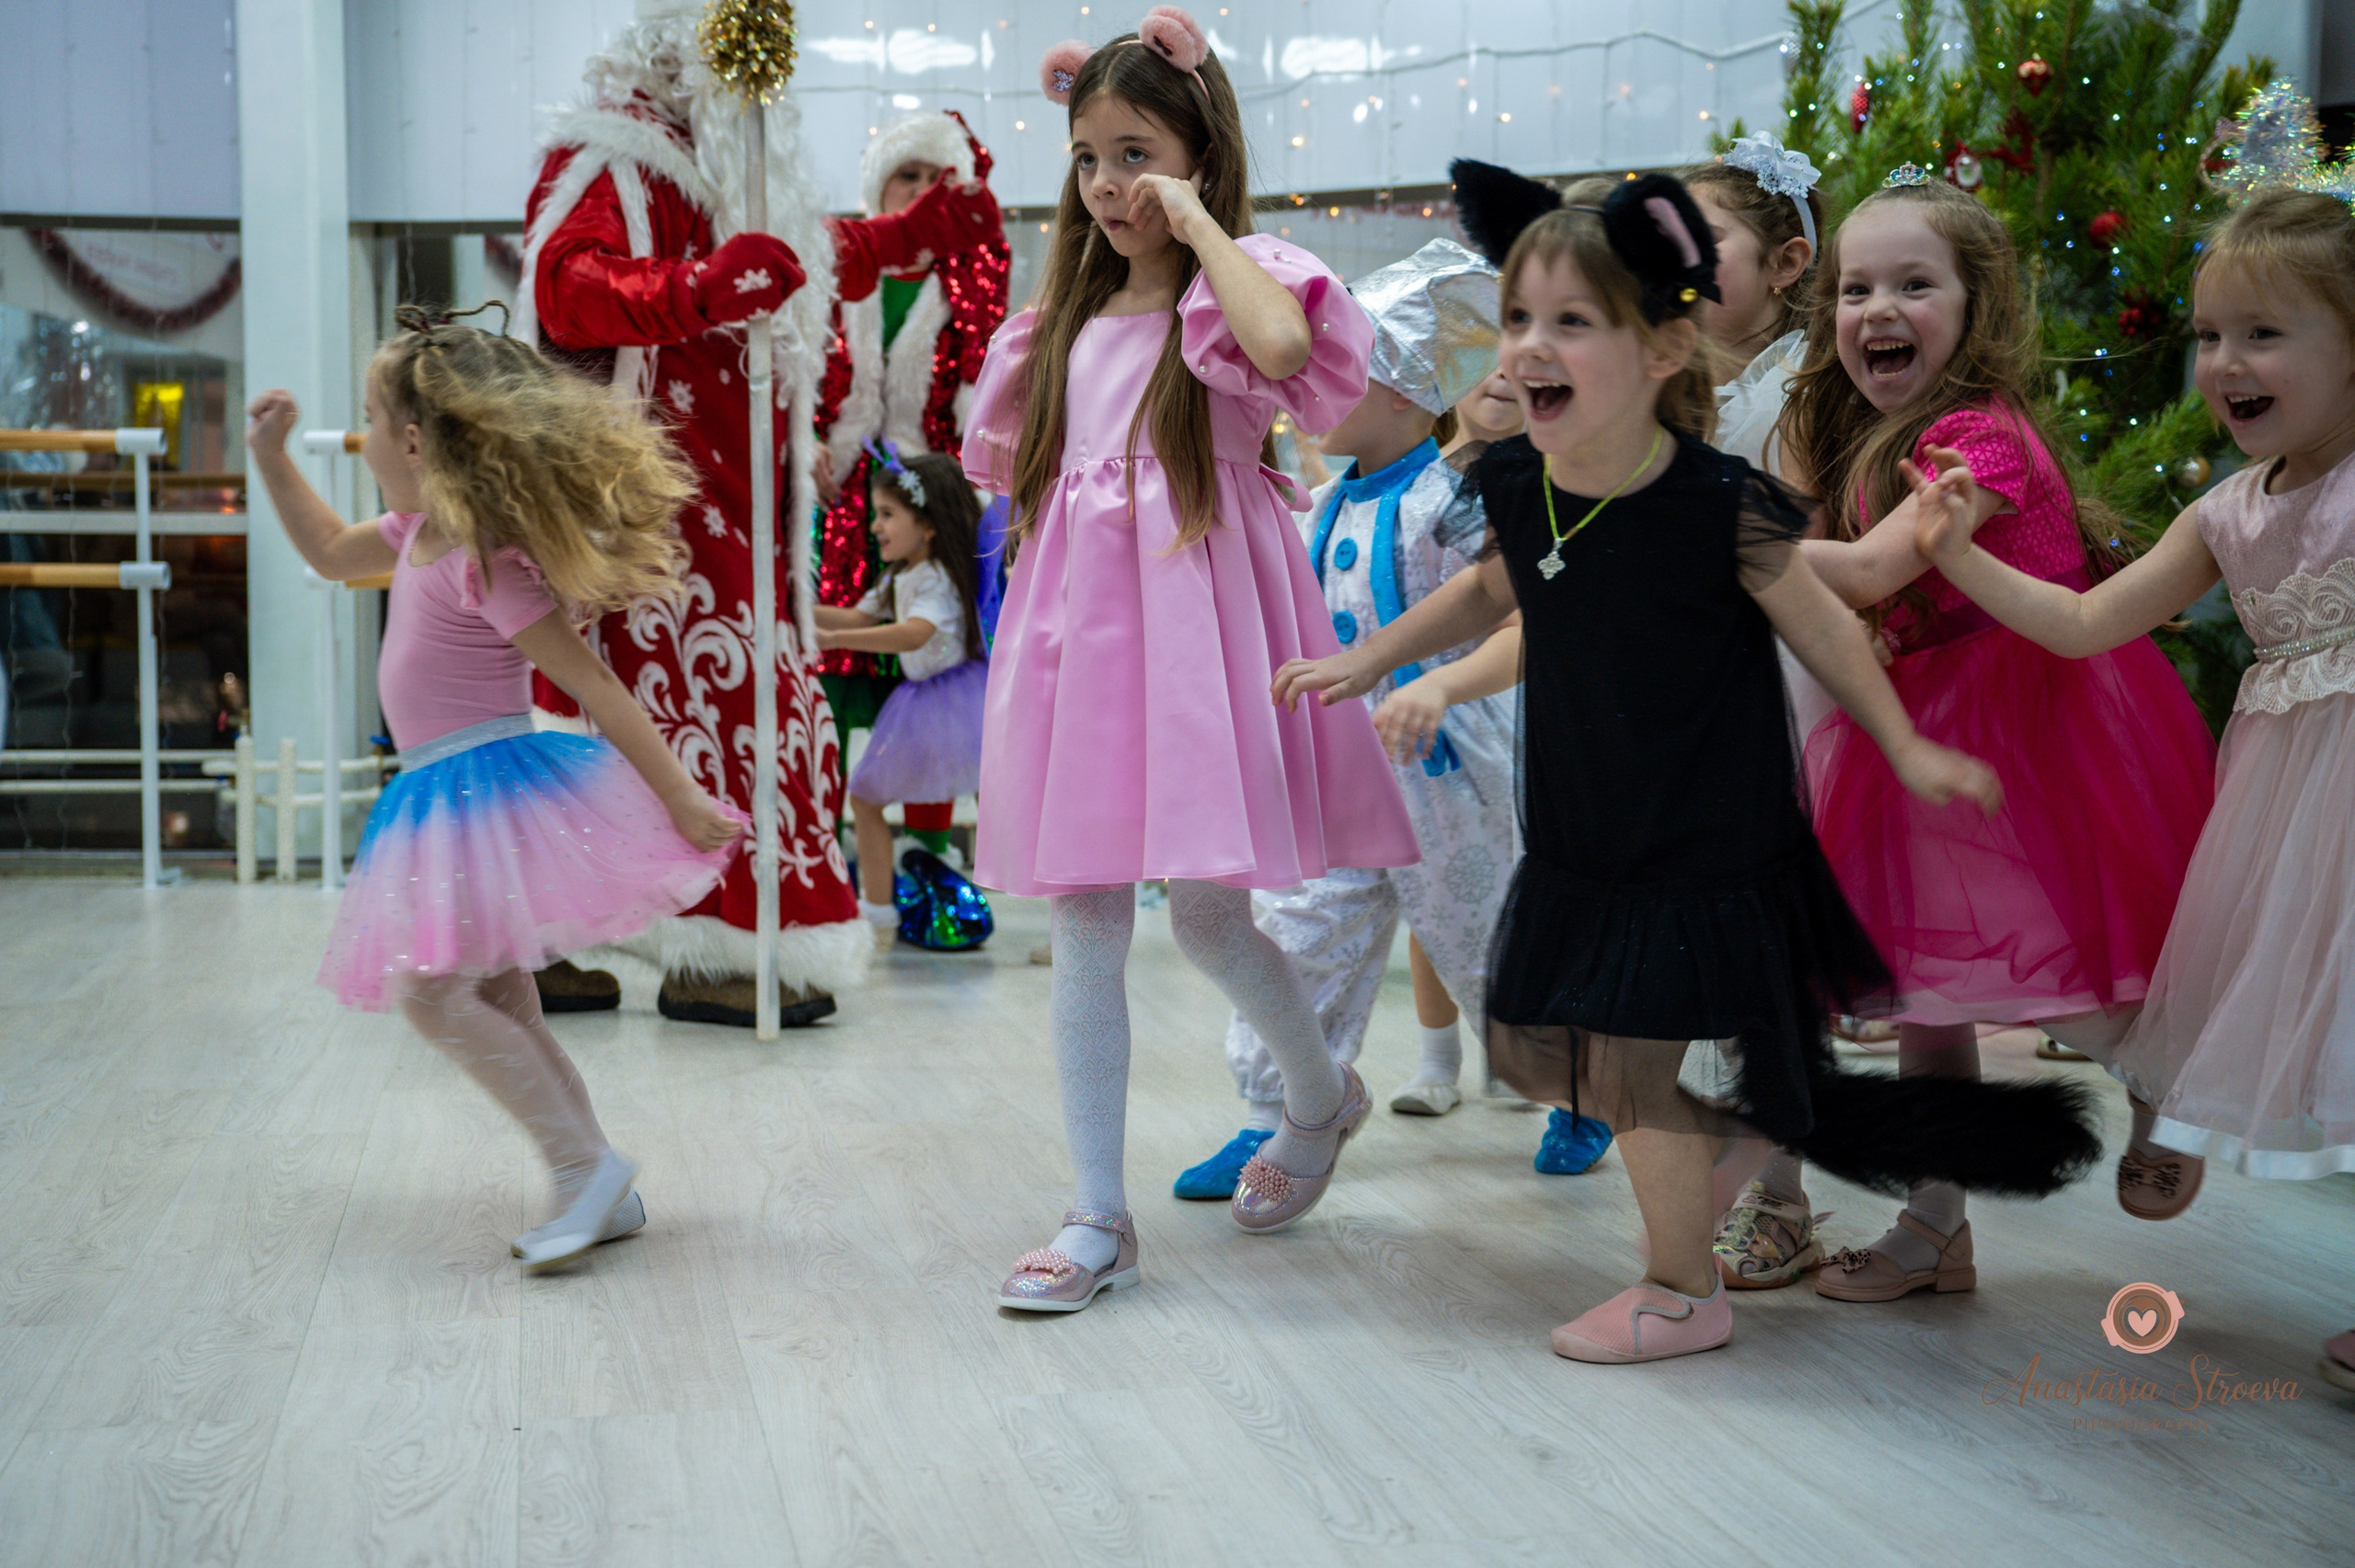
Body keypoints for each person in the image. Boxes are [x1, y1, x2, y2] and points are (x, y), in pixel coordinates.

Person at [1276, 162, 2098, 1365]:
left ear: (1663, 351)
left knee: (1631, 1063)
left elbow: (1832, 614)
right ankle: (1754, 1181)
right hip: (1586, 838)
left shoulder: (1717, 500)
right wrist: (1383, 664)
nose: (1526, 349)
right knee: (1619, 1076)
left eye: (1570, 321)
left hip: (1696, 837)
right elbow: (1486, 592)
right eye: (1517, 319)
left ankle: (1681, 1285)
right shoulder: (1534, 486)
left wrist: (1907, 740)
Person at [964, 9, 1416, 1312]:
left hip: (1203, 628)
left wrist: (1205, 221)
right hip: (1085, 638)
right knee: (1087, 910)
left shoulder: (1238, 288)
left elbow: (1287, 354)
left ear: (1199, 154)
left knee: (1215, 915)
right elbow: (1038, 491)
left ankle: (1320, 1102)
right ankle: (1098, 1213)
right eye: (1090, 156)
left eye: (1138, 152)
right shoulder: (1056, 319)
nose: (1112, 185)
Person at [1912, 184, 2355, 1390]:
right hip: (2291, 807)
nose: (2224, 362)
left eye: (2264, 333)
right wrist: (1955, 557)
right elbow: (2080, 621)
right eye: (2210, 336)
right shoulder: (2228, 513)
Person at [515, 6, 1002, 1027]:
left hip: (739, 511)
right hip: (644, 514)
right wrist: (693, 289)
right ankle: (567, 937)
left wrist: (905, 239)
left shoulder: (729, 163)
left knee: (751, 717)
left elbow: (798, 261)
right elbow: (567, 287)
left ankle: (725, 944)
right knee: (642, 716)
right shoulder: (615, 155)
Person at [1783, 170, 2217, 1304]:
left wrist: (1729, 540)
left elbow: (1880, 567)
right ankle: (1934, 1225)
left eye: (1913, 285)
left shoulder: (1978, 439)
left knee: (2058, 965)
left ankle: (2162, 1083)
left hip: (2029, 725)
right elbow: (1884, 595)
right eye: (1855, 288)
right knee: (1923, 984)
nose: (1876, 309)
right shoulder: (1883, 433)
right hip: (1928, 718)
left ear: (1976, 305)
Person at [252, 309, 743, 1270]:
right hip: (442, 793)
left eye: (365, 420)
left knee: (433, 995)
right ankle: (596, 1175)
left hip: (484, 789)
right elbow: (322, 551)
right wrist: (269, 455)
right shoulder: (412, 533)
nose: (358, 439)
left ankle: (581, 1168)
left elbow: (595, 682)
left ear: (413, 438)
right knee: (502, 998)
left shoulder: (484, 558)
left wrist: (680, 798)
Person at [1175, 238, 1539, 1200]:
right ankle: (1279, 1112)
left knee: (1487, 940)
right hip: (1336, 769)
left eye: (1343, 375)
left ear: (1410, 394)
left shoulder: (1454, 502)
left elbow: (1514, 615)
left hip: (1448, 773)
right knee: (1297, 935)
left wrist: (1444, 688)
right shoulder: (1318, 504)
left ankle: (1573, 1086)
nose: (1311, 391)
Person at [813, 111, 1011, 866]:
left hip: (935, 499)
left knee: (932, 687)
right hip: (842, 506)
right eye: (909, 176)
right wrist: (805, 444)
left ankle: (928, 859)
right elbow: (798, 379)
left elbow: (986, 399)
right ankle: (820, 856)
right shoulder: (836, 268)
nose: (925, 193)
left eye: (939, 179)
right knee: (831, 691)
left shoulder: (971, 280)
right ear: (878, 186)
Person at [812, 447, 988, 936]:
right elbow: (857, 615)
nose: (874, 527)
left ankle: (1061, 908)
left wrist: (835, 639)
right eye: (875, 515)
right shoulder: (899, 574)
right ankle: (878, 911)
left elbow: (914, 633)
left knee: (994, 802)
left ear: (928, 525)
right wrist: (793, 608)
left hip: (952, 699)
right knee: (866, 797)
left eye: (887, 515)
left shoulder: (938, 578)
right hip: (923, 701)